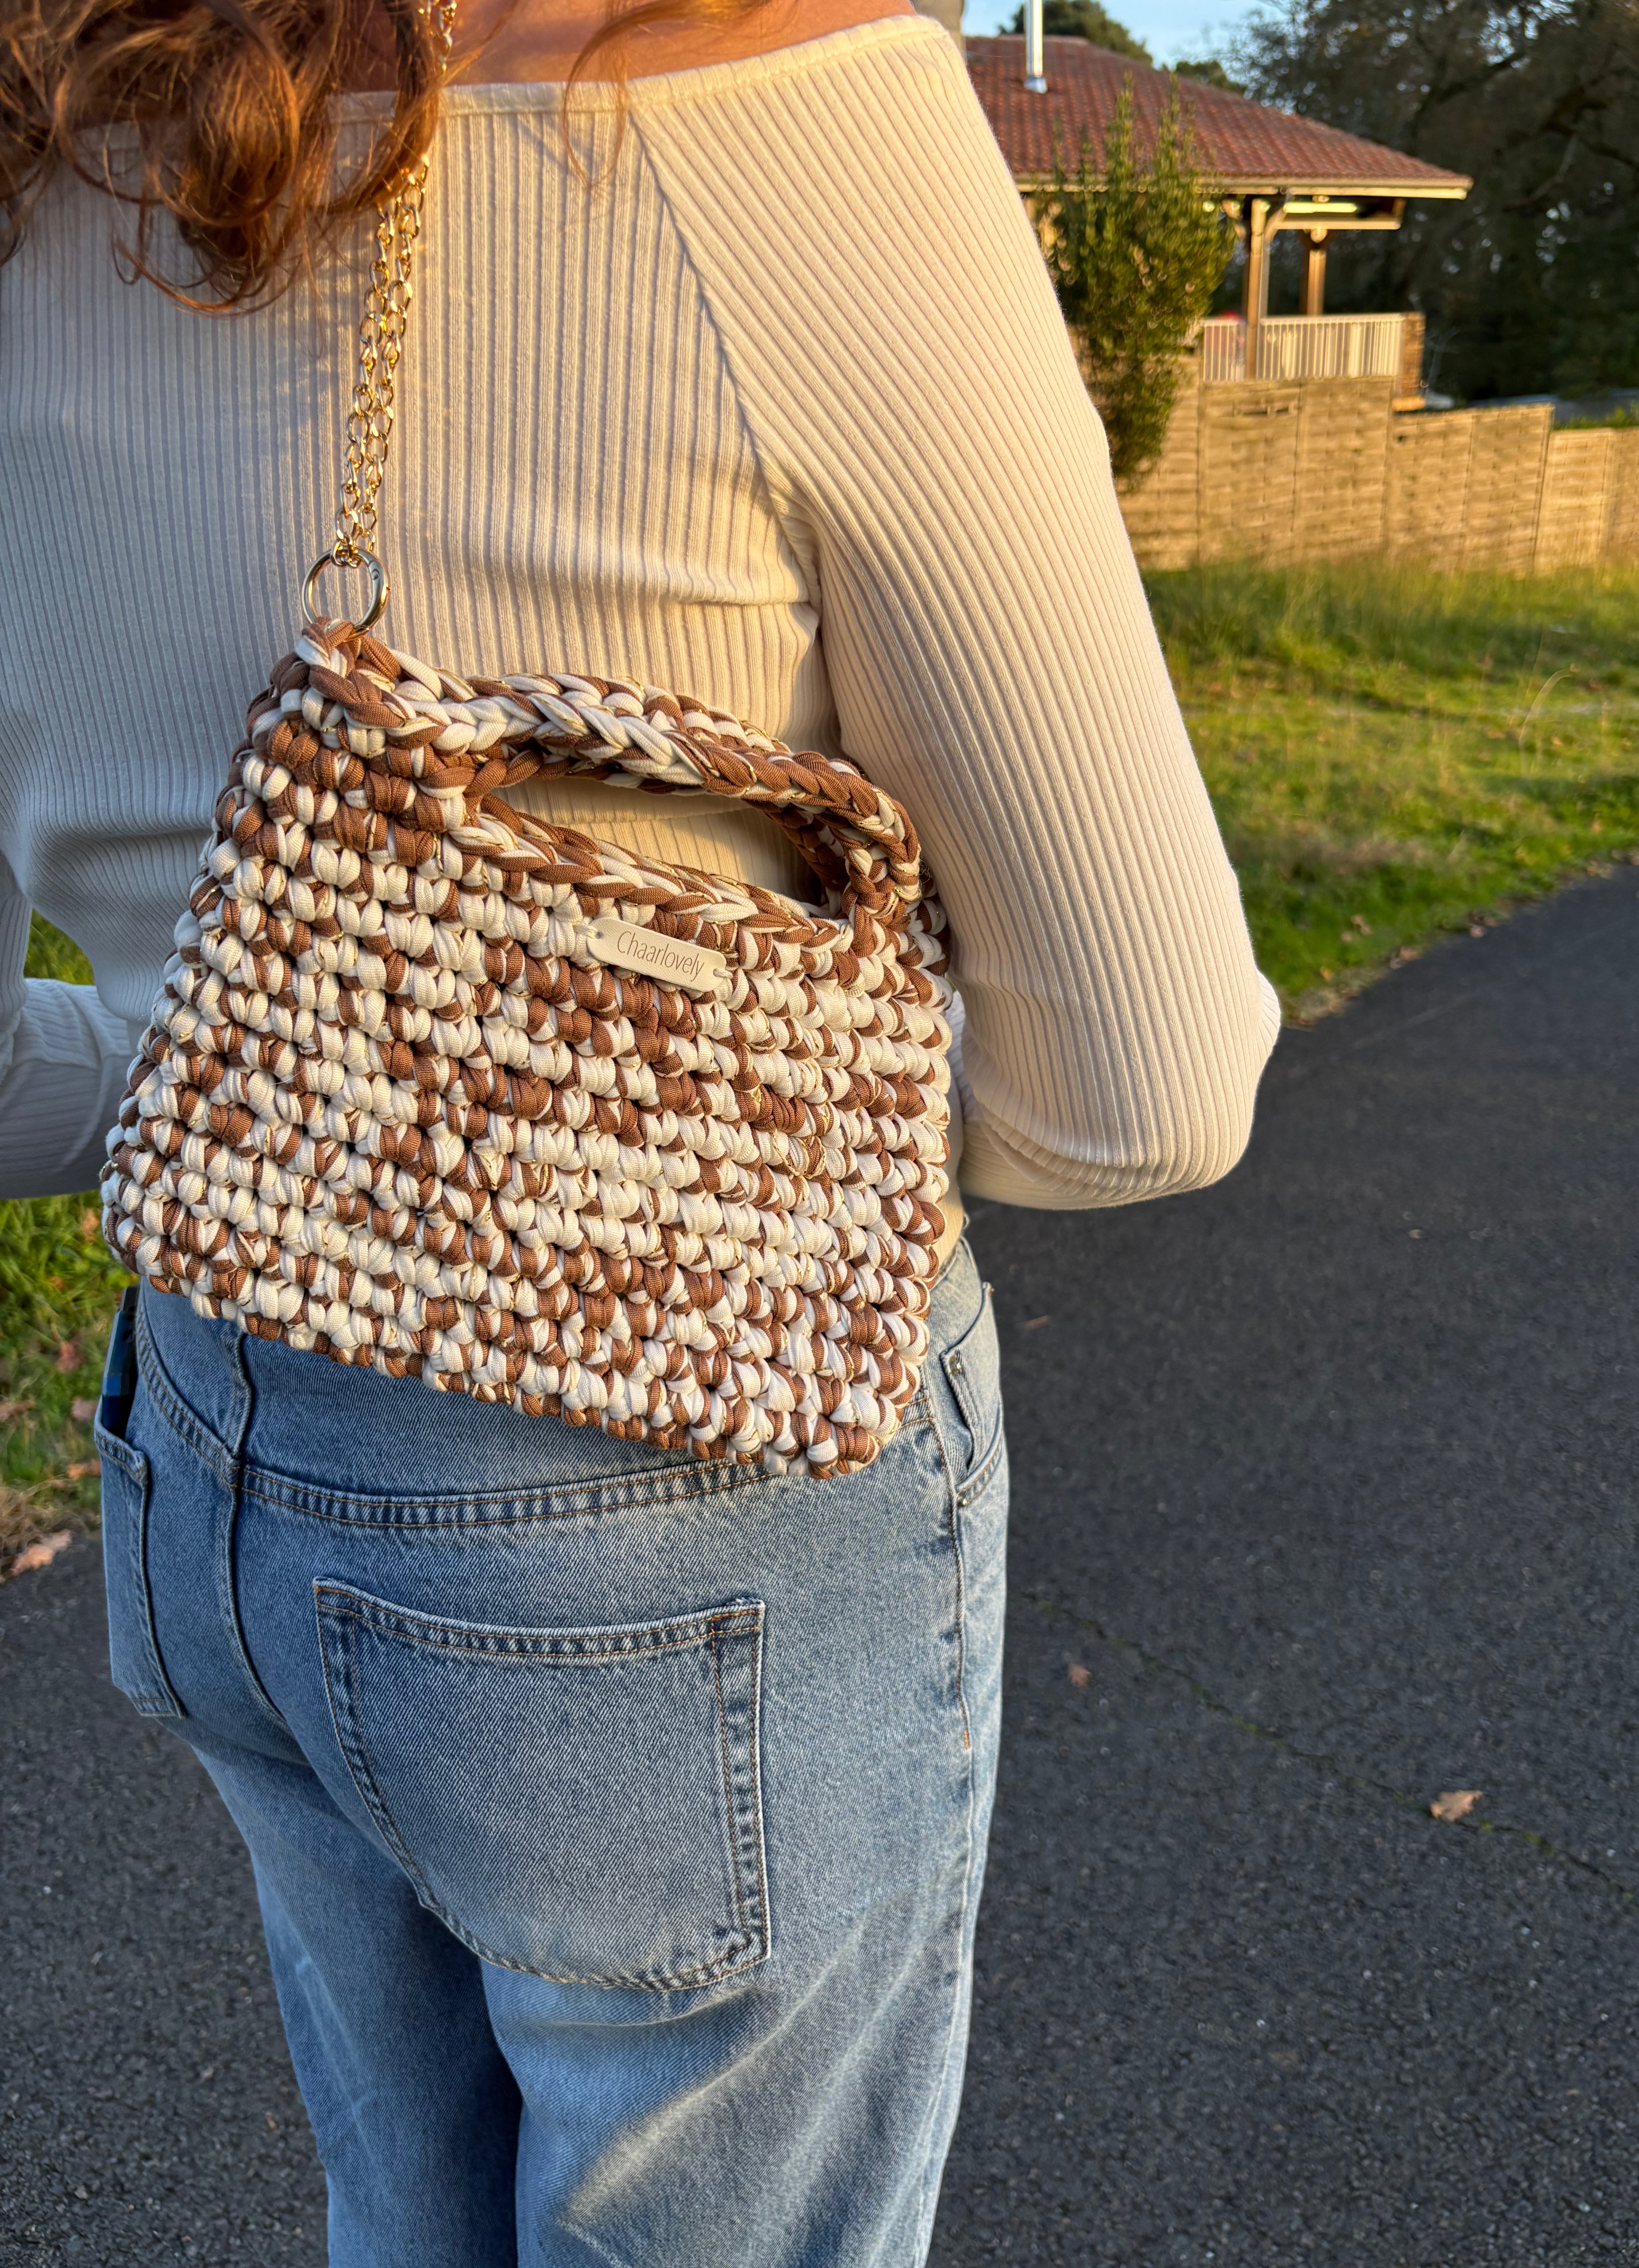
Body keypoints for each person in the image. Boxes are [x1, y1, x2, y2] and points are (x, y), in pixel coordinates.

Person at [0, 0, 1279, 2257]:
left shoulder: (40, 157)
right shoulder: (767, 118)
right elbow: (1142, 1088)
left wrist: (289, 1105)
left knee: (405, 2211)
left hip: (198, 1434)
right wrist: (613, 1132)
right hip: (665, 1504)